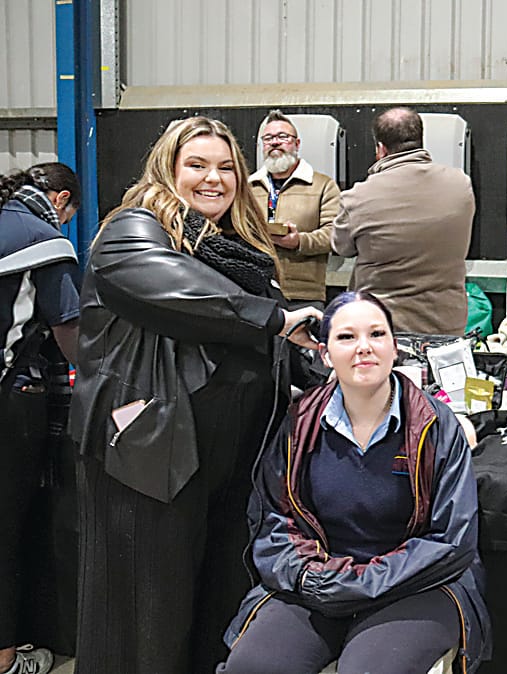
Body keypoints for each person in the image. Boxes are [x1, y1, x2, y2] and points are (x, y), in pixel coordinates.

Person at [70, 116, 322, 674]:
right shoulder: (131, 232)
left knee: (212, 607)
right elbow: (187, 295)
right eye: (198, 166)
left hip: (228, 459)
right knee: (143, 617)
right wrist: (277, 319)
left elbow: (264, 343)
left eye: (226, 167)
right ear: (168, 168)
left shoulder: (239, 249)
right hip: (147, 456)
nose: (214, 179)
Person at [220, 290, 490, 674]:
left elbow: (450, 541)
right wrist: (310, 577)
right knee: (253, 667)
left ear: (395, 348)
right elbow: (272, 521)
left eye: (377, 335)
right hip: (319, 584)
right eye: (347, 337)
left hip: (416, 586)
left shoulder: (436, 426)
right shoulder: (297, 424)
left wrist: (364, 583)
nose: (364, 347)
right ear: (325, 354)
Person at [0, 163, 81, 674]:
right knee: (7, 528)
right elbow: (72, 334)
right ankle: (7, 657)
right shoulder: (44, 240)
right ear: (62, 200)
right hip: (11, 399)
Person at [333, 107, 475, 335]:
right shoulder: (461, 184)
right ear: (420, 140)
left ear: (380, 148)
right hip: (447, 324)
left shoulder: (357, 197)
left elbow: (341, 247)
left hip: (385, 329)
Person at [249, 109, 341, 310]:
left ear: (297, 144)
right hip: (255, 291)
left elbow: (334, 235)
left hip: (303, 294)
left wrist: (299, 241)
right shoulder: (248, 188)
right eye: (268, 138)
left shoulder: (323, 185)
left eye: (283, 137)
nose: (275, 142)